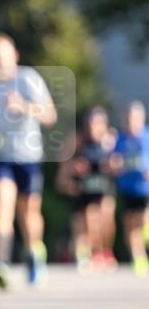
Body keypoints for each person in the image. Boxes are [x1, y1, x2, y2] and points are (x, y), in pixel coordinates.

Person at [0, 32, 57, 289]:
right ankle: (0, 264)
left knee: (28, 212)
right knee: (1, 208)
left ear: (14, 56)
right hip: (1, 157)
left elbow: (49, 115)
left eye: (0, 52)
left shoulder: (28, 79)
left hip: (29, 156)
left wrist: (24, 106)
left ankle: (34, 252)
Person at [56, 108, 118, 272]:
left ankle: (104, 251)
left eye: (98, 124)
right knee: (87, 221)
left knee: (106, 214)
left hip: (103, 189)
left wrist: (114, 165)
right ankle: (88, 254)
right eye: (91, 124)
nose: (94, 128)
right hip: (82, 191)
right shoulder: (77, 140)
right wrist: (73, 170)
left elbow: (124, 165)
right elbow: (61, 177)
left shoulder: (111, 141)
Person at [110, 101, 149, 277]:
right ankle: (138, 257)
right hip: (127, 187)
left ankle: (145, 239)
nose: (131, 122)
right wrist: (115, 164)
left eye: (134, 118)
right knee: (130, 224)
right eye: (128, 118)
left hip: (145, 188)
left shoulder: (147, 137)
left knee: (143, 219)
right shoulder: (120, 139)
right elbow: (113, 161)